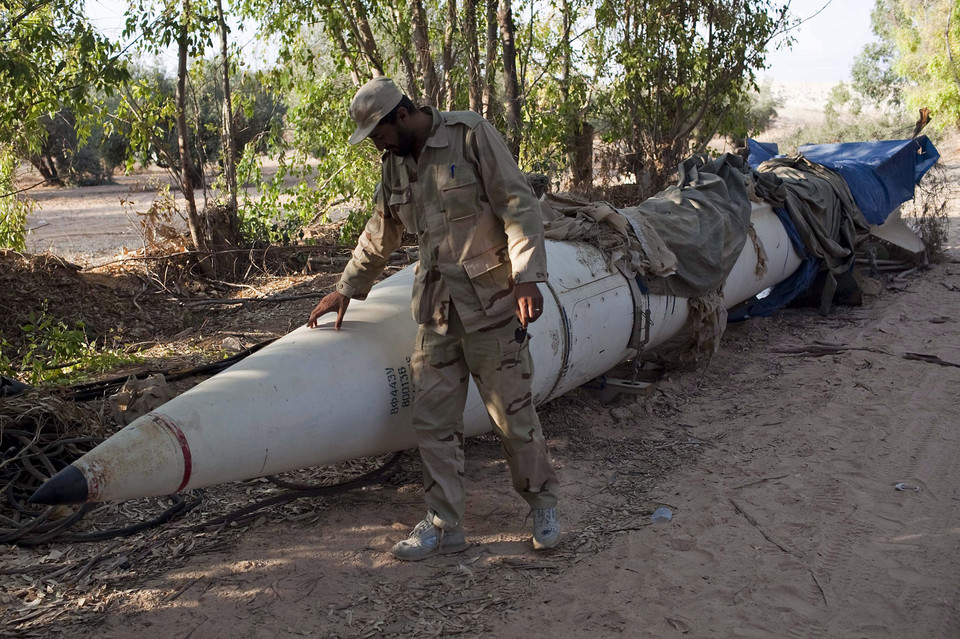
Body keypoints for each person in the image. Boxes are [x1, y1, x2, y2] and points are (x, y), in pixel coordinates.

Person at [307, 77, 561, 560]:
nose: (377, 145)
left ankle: (543, 506)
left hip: (492, 306)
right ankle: (445, 526)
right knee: (432, 424)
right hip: (438, 315)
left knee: (513, 420)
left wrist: (528, 275)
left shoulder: (469, 135)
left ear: (402, 116)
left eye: (379, 133)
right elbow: (380, 232)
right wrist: (346, 289)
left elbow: (517, 202)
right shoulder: (395, 168)